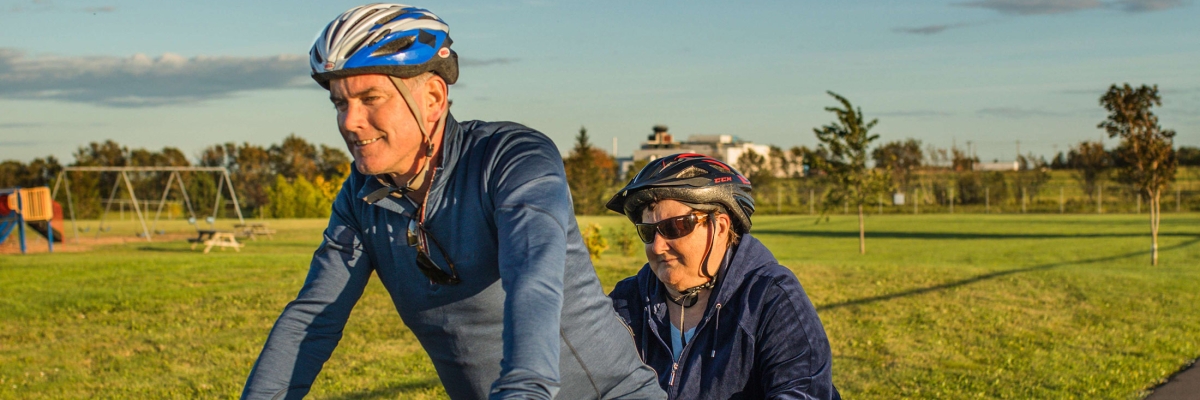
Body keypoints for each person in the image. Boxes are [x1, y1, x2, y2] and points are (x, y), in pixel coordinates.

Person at [241, 4, 663, 399]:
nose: (349, 122)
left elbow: (531, 282)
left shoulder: (512, 159)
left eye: (370, 99)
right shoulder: (361, 196)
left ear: (433, 99)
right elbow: (313, 321)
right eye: (339, 103)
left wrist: (524, 391)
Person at [606, 153, 840, 399]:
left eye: (674, 227)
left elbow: (802, 392)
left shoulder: (770, 299)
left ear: (720, 227)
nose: (657, 246)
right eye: (648, 231)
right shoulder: (628, 301)